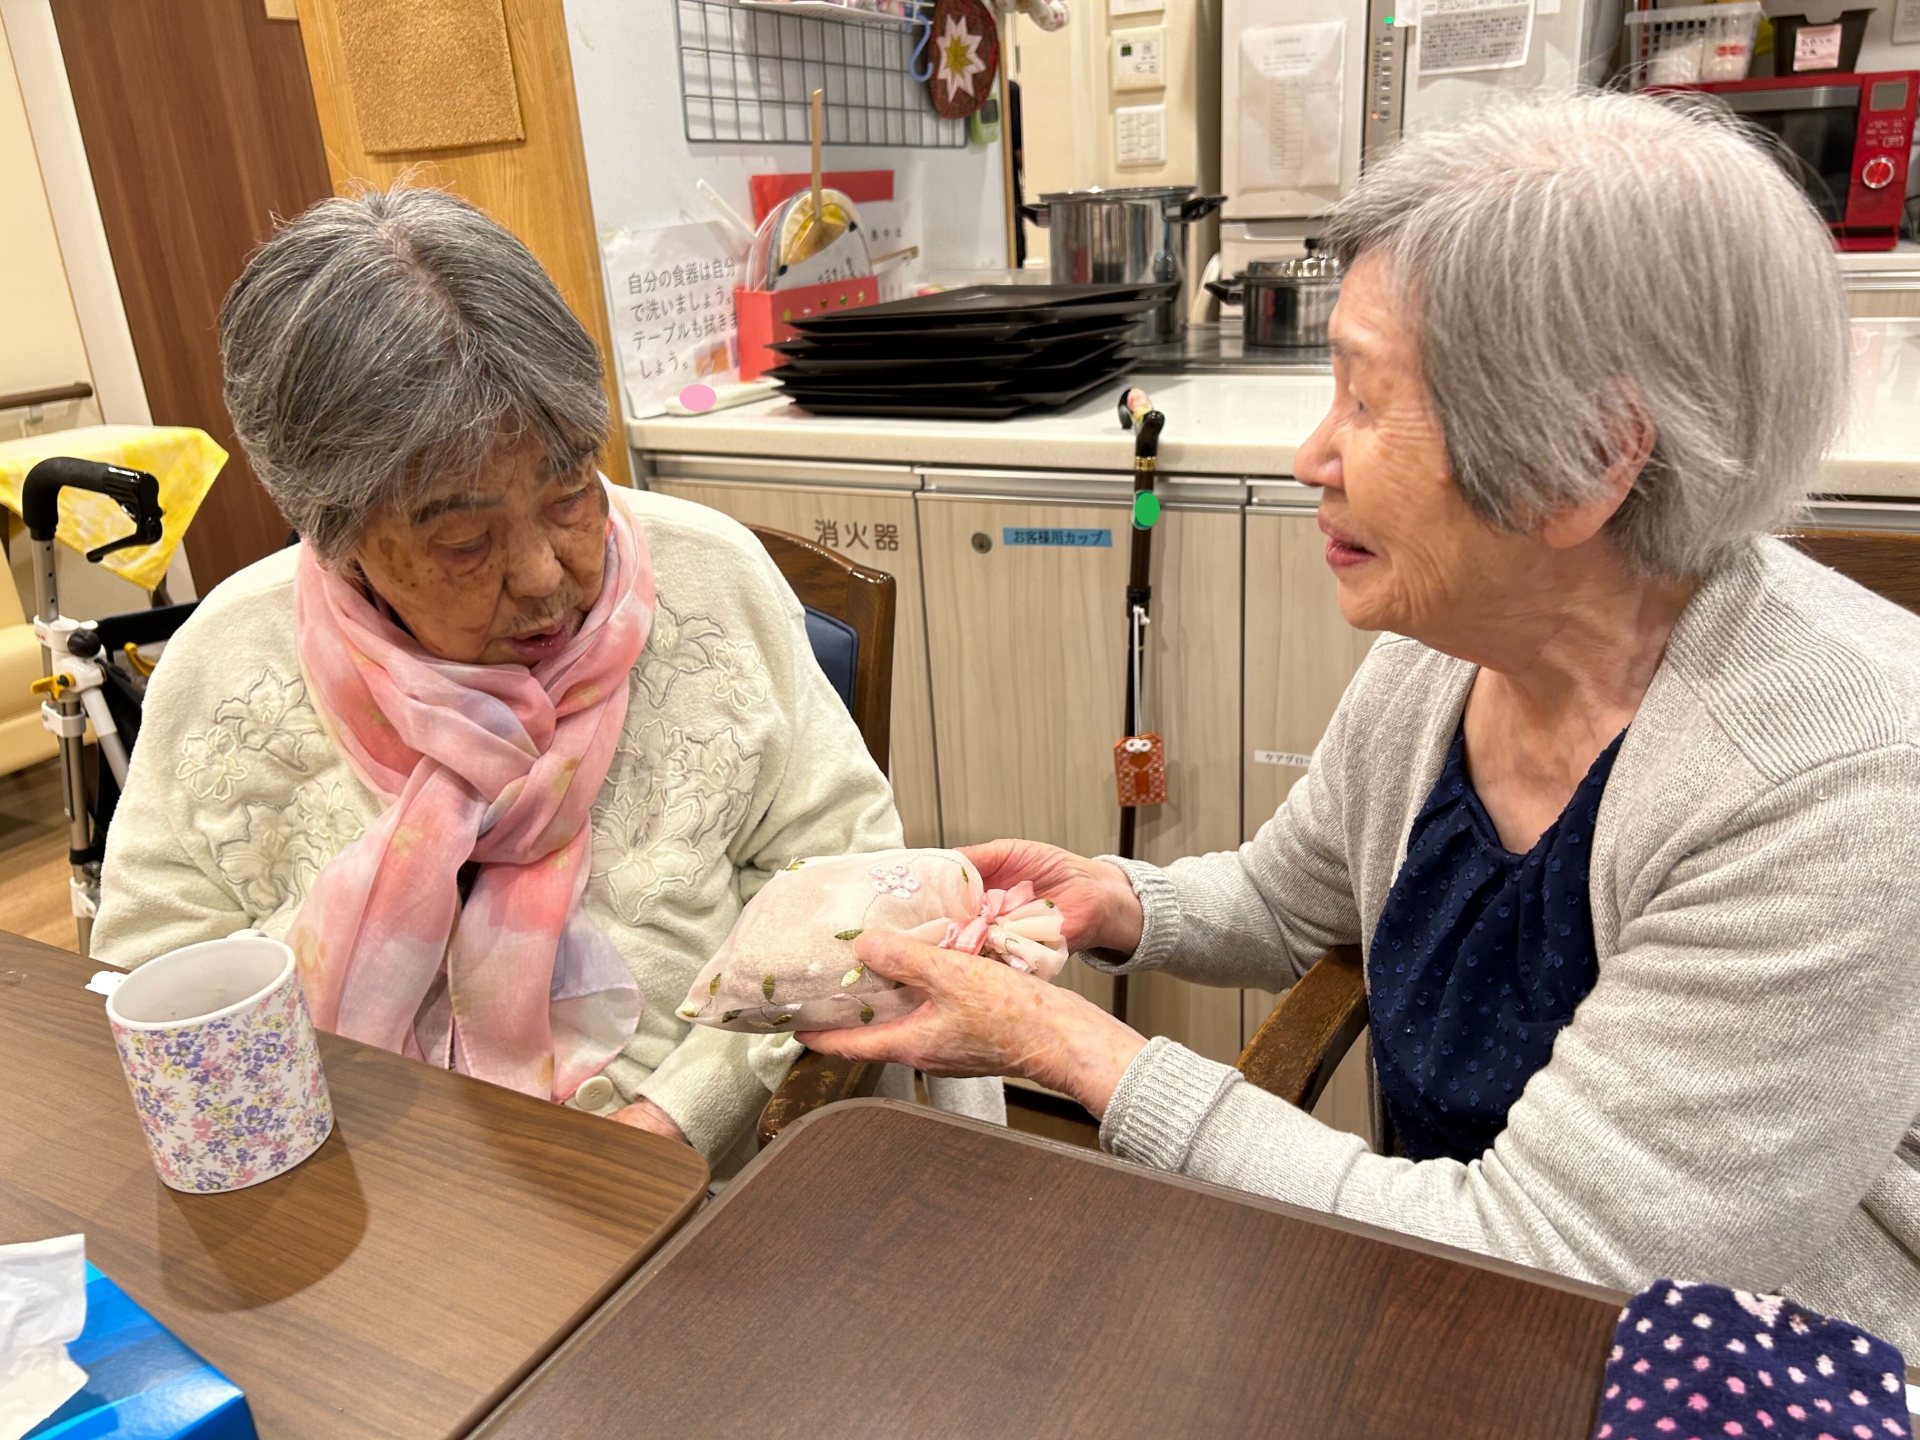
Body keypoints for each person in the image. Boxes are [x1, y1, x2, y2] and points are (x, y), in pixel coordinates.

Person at [803, 90, 1920, 1350]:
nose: (1310, 457)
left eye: (1367, 401)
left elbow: (1560, 1264)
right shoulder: (1448, 656)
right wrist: (1115, 902)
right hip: (1445, 1304)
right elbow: (1292, 901)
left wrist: (1074, 1051)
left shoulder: (1834, 787)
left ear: (1592, 455)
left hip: (1736, 1366)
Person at [91, 185, 1000, 1172]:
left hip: (696, 1176)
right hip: (355, 1179)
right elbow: (153, 969)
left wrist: (671, 1126)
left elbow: (849, 886)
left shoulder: (714, 581)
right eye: (463, 541)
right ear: (338, 538)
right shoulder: (227, 658)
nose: (543, 575)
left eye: (570, 494)